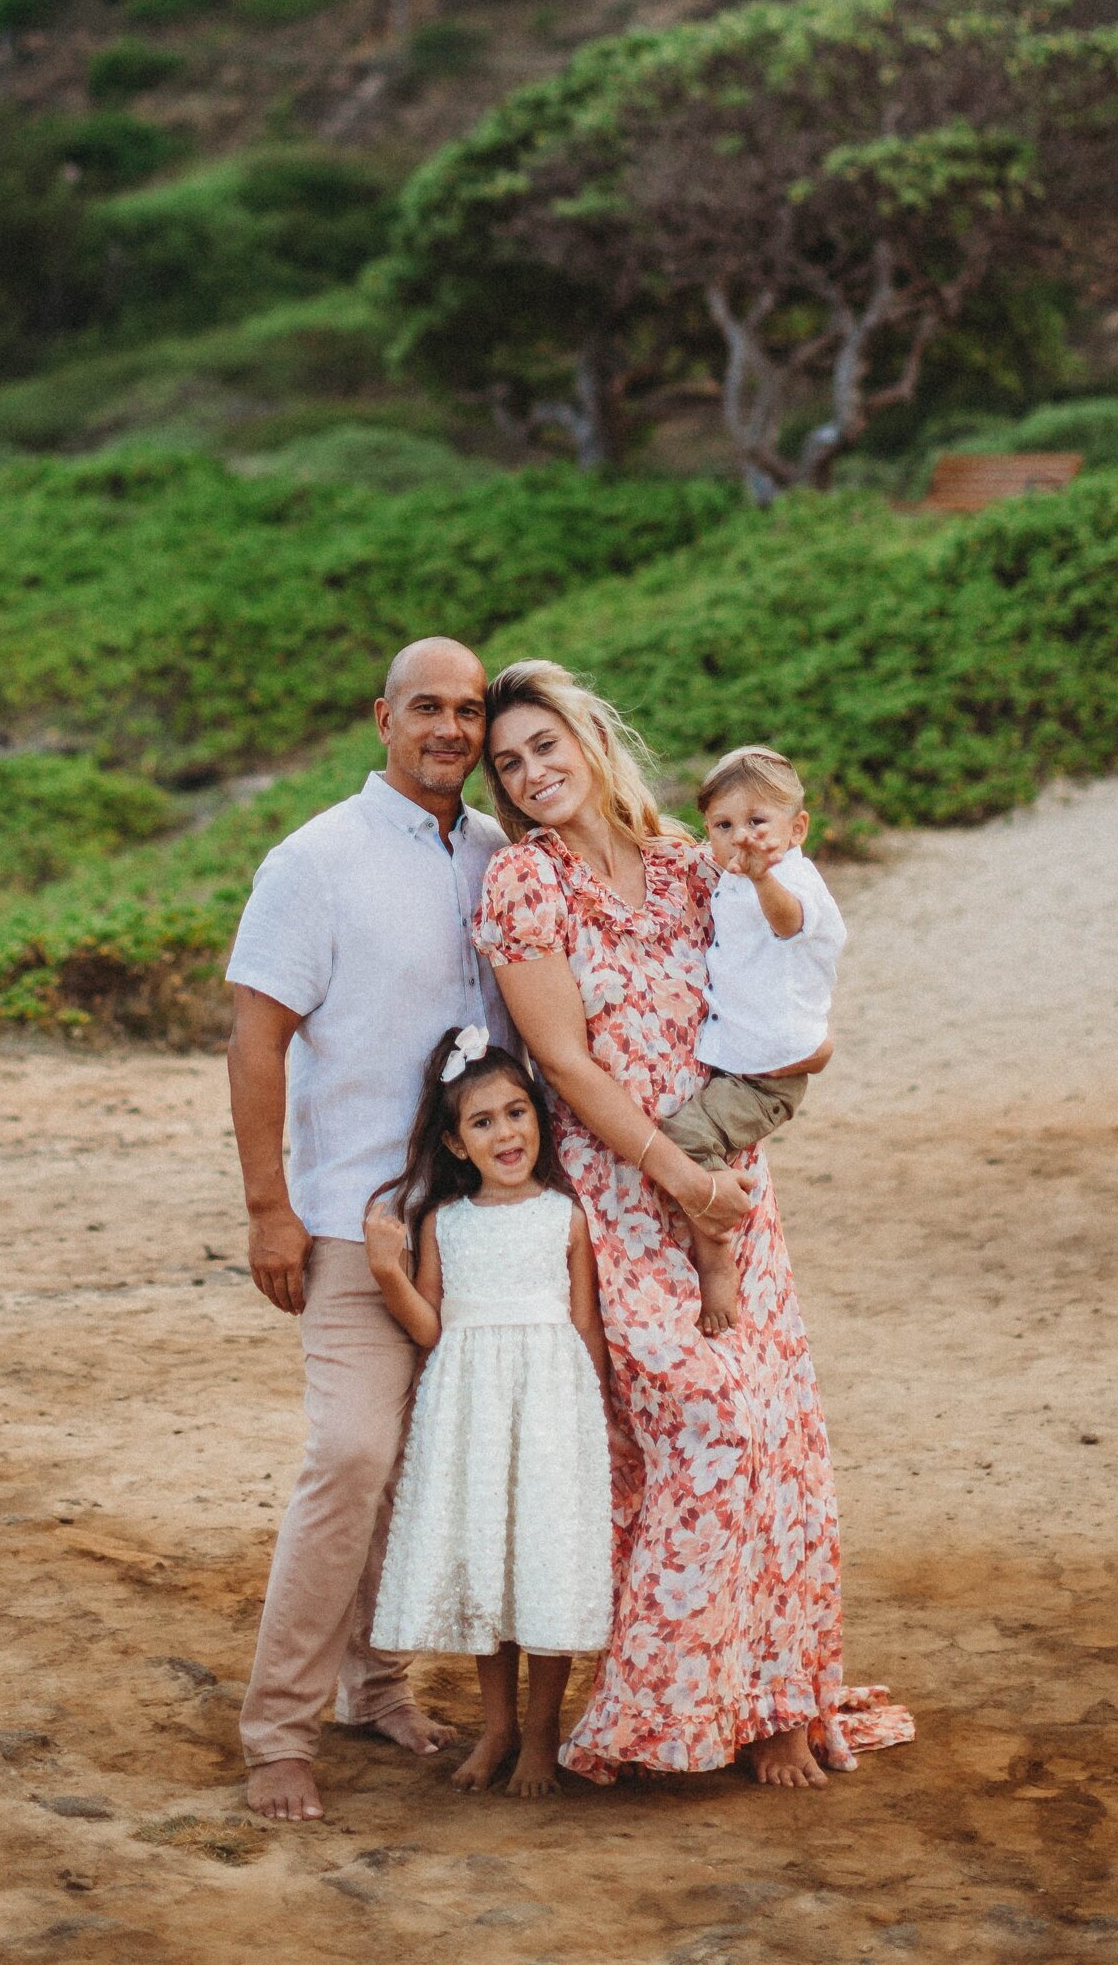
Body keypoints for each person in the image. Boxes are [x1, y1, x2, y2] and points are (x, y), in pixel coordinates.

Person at [476, 657, 912, 1790]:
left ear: (588, 738)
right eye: (507, 761)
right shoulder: (524, 885)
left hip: (732, 1181)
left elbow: (782, 969)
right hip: (628, 1197)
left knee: (778, 1437)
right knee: (703, 1429)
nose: (528, 774)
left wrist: (806, 1050)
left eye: (543, 746)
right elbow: (563, 1062)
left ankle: (774, 1705)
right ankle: (657, 1708)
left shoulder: (687, 862)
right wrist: (672, 1171)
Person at [225, 635, 512, 1825]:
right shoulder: (313, 861)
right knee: (349, 1455)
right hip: (352, 1217)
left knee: (409, 1468)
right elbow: (256, 1040)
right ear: (380, 718)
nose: (451, 727)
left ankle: (372, 1683)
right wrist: (266, 1212)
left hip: (474, 1225)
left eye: (469, 709)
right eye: (427, 707)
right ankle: (275, 1730)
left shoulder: (497, 851)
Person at [364, 1026, 614, 1800]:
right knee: (492, 1566)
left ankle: (540, 1735)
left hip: (548, 1410)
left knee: (542, 1566)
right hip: (471, 1412)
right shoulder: (446, 1221)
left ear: (539, 1118)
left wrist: (590, 1426)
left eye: (516, 1112)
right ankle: (496, 1725)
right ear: (456, 1141)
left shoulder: (564, 1217)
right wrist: (386, 1270)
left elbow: (586, 1327)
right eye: (483, 1121)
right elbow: (432, 1328)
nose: (506, 1131)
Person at [662, 744, 844, 1336]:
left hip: (769, 1074)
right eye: (724, 825)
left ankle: (718, 1256)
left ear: (798, 829)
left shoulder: (789, 878)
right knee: (698, 1132)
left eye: (757, 823)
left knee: (685, 1138)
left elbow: (788, 924)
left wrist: (765, 876)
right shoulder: (731, 876)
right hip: (746, 1061)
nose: (742, 838)